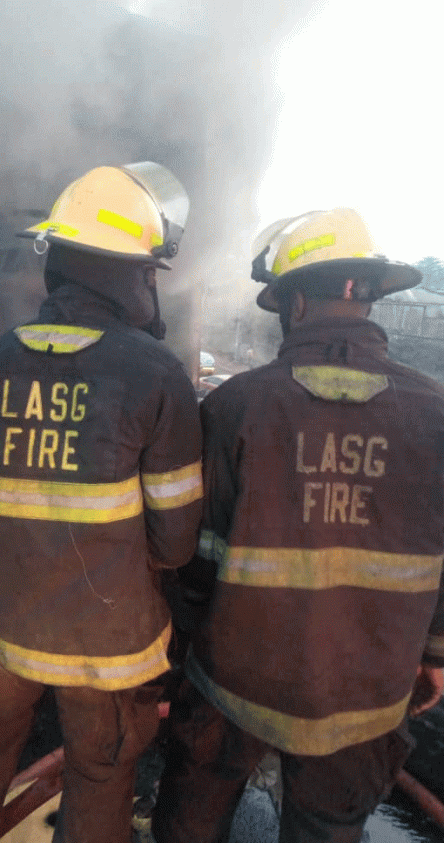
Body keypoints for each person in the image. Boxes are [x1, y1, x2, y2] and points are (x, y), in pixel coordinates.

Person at [0, 162, 203, 843]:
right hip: (109, 650)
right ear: (132, 275)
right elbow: (176, 543)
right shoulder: (156, 375)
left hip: (4, 630)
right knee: (100, 777)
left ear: (58, 265)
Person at [152, 208, 444, 843]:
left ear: (297, 305)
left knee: (191, 822)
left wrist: (178, 657)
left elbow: (196, 560)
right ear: (364, 293)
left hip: (234, 681)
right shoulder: (436, 413)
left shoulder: (234, 406)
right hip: (366, 692)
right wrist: (435, 657)